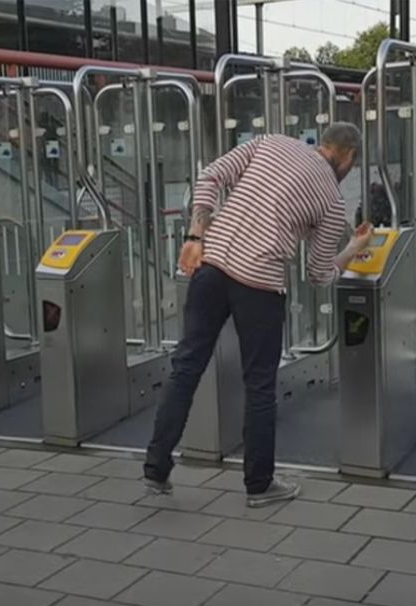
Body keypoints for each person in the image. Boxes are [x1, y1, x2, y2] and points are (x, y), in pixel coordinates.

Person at [143, 124, 374, 508]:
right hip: (260, 287)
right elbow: (319, 275)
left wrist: (196, 235)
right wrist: (353, 248)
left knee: (186, 366)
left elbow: (210, 176)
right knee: (260, 386)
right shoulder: (332, 202)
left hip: (211, 267)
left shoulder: (270, 144)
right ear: (348, 156)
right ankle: (258, 485)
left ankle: (156, 468)